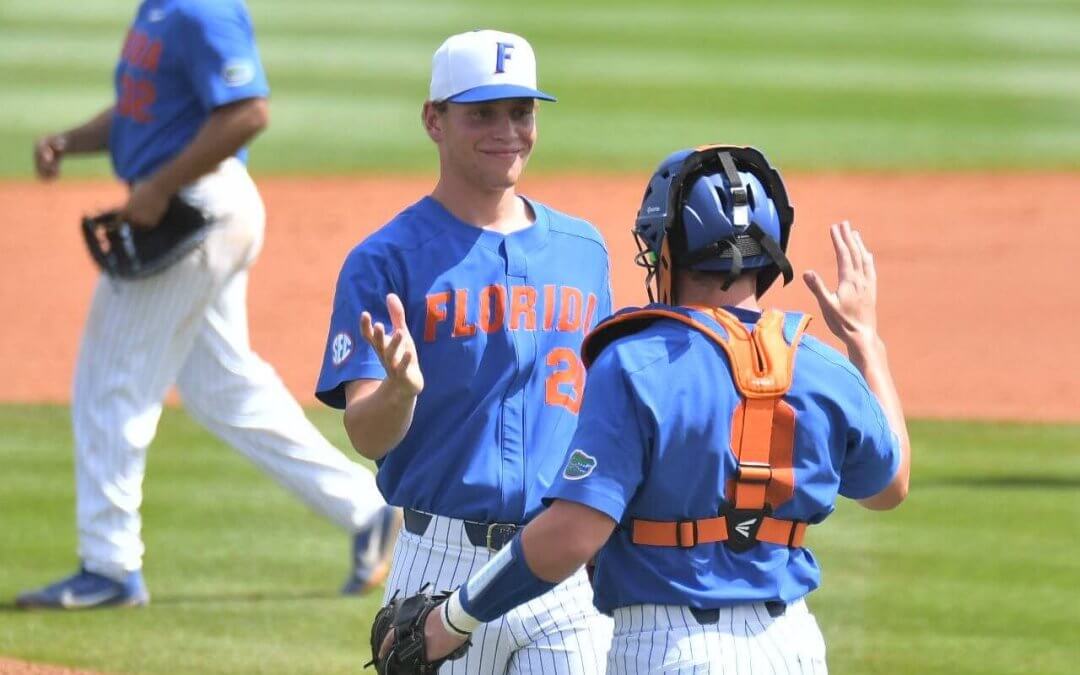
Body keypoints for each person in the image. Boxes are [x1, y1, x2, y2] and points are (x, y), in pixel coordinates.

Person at [402, 145, 910, 673]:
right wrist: (866, 342)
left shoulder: (635, 364)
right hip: (795, 648)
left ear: (668, 250)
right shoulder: (824, 367)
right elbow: (889, 486)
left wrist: (453, 618)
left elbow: (573, 535)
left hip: (672, 649)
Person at [16, 0, 397, 610]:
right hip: (201, 204)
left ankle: (110, 566)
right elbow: (147, 115)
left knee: (110, 381)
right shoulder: (159, 8)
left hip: (196, 207)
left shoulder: (202, 10)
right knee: (222, 387)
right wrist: (70, 141)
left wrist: (159, 186)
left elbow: (248, 112)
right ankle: (366, 509)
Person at [316, 29, 614, 674]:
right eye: (482, 112)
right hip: (437, 564)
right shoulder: (384, 260)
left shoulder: (584, 251)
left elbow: (609, 408)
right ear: (434, 120)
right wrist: (398, 390)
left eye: (521, 111)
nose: (506, 130)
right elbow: (366, 436)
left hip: (558, 564)